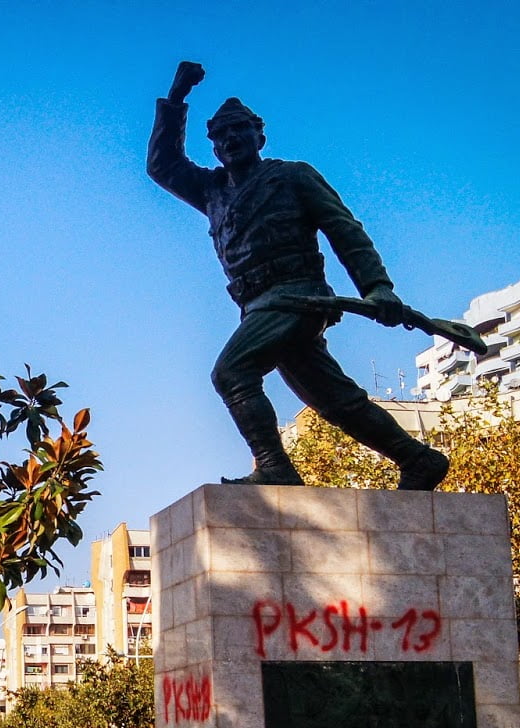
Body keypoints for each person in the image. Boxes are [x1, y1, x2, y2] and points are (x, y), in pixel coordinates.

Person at [147, 61, 450, 490]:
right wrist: (176, 100)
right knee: (333, 398)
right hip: (256, 306)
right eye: (220, 136)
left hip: (298, 297)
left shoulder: (292, 176)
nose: (230, 140)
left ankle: (274, 466)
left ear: (260, 137)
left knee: (232, 374)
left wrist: (377, 287)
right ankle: (417, 459)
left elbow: (345, 231)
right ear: (214, 147)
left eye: (240, 131)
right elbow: (163, 166)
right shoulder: (212, 190)